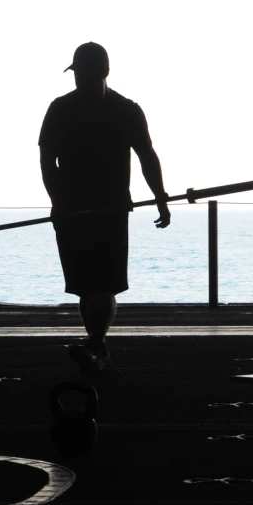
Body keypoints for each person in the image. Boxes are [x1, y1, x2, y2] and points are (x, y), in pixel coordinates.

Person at [39, 42, 171, 371]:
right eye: (77, 74)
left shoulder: (126, 110)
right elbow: (46, 161)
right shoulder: (60, 108)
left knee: (102, 284)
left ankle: (95, 345)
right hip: (71, 211)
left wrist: (160, 196)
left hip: (111, 211)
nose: (79, 79)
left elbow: (147, 157)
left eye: (83, 73)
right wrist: (58, 202)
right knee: (87, 286)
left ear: (103, 72)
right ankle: (98, 348)